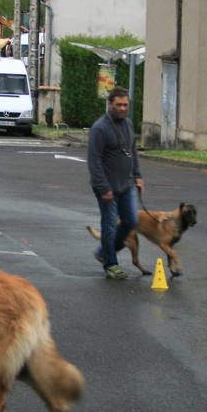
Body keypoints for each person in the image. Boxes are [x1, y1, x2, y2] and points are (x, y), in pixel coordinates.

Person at [87, 86, 143, 280]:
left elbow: (132, 151)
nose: (122, 108)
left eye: (125, 105)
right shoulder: (100, 128)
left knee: (131, 221)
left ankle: (104, 251)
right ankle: (111, 264)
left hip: (126, 185)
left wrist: (137, 175)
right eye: (118, 105)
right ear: (109, 104)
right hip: (107, 188)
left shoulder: (127, 124)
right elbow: (94, 162)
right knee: (109, 226)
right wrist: (104, 188)